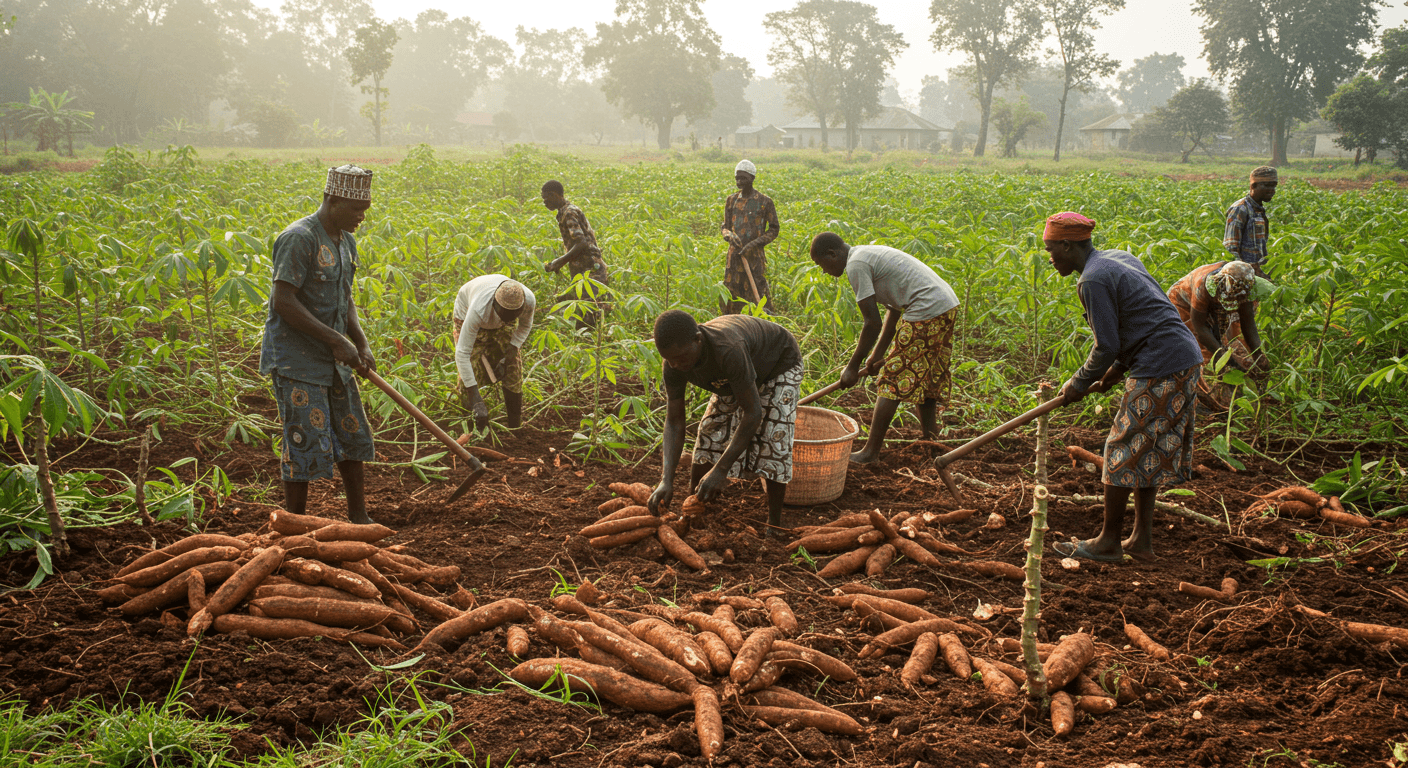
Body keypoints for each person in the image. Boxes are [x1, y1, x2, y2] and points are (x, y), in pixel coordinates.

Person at [1041, 212, 1203, 563]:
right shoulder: (1117, 258)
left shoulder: (1093, 280)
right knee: (1148, 449)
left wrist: (1078, 383)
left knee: (1120, 448)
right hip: (1182, 357)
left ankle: (1108, 543)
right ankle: (1140, 541)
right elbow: (1142, 317)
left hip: (1161, 364)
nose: (1049, 258)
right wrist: (1116, 370)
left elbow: (1106, 345)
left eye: (1051, 250)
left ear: (1067, 245)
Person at [259, 165, 378, 525]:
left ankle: (359, 518)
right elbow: (283, 301)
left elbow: (345, 296)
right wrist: (336, 339)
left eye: (365, 209)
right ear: (332, 199)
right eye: (355, 209)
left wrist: (360, 342)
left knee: (352, 432)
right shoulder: (299, 238)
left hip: (336, 358)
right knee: (305, 439)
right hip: (297, 360)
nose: (361, 217)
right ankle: (294, 526)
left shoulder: (346, 241)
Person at [808, 232, 961, 464]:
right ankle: (934, 448)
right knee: (927, 383)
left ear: (833, 254)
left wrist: (852, 367)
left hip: (926, 308)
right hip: (945, 305)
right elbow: (893, 311)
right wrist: (875, 356)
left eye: (821, 264)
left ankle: (870, 453)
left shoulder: (856, 264)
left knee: (891, 381)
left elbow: (872, 323)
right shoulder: (865, 255)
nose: (823, 271)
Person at [647, 310, 803, 534]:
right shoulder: (674, 363)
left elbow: (753, 414)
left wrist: (720, 470)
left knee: (773, 438)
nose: (675, 365)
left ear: (698, 339)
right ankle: (694, 507)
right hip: (735, 375)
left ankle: (774, 523)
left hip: (777, 362)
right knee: (710, 431)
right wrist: (666, 480)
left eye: (681, 358)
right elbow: (674, 421)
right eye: (669, 359)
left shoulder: (727, 350)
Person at [1167, 260, 1271, 411]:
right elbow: (1200, 328)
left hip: (1212, 308)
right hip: (1184, 305)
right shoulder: (1203, 285)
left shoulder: (1245, 287)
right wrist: (1227, 359)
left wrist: (1258, 354)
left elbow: (1247, 323)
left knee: (1232, 345)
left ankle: (1230, 394)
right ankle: (1203, 400)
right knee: (1199, 352)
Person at [453, 275, 536, 431]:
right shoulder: (478, 309)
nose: (507, 320)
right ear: (494, 304)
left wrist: (511, 351)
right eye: (504, 315)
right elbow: (463, 353)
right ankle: (471, 426)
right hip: (465, 313)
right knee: (470, 367)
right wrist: (476, 398)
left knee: (513, 367)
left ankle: (515, 426)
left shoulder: (528, 300)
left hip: (495, 315)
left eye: (512, 316)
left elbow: (524, 326)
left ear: (520, 308)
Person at [541, 180, 610, 328]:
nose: (544, 202)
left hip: (591, 268)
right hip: (582, 269)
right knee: (584, 312)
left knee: (589, 315)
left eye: (546, 198)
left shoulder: (569, 213)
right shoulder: (563, 212)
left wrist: (560, 261)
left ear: (554, 195)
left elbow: (581, 243)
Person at [720, 159, 780, 314]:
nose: (739, 182)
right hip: (734, 257)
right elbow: (725, 227)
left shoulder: (764, 202)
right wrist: (728, 235)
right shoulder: (731, 200)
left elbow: (774, 229)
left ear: (752, 178)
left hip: (754, 257)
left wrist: (754, 244)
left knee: (758, 292)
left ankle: (763, 322)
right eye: (737, 178)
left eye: (743, 178)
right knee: (732, 293)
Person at [1223, 166, 1277, 278]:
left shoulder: (1259, 211)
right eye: (1267, 185)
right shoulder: (1240, 209)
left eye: (1274, 186)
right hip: (1243, 275)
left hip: (1257, 272)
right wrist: (1245, 272)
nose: (1272, 190)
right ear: (1253, 186)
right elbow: (1231, 248)